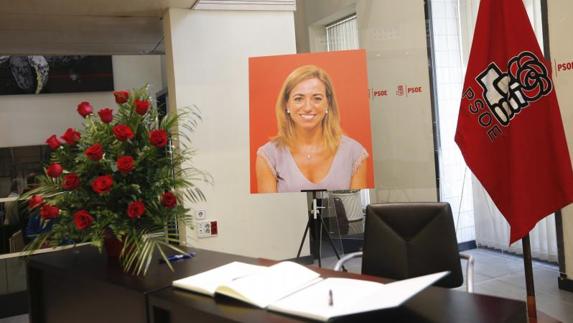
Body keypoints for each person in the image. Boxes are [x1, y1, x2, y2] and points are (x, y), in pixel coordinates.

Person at [256, 65, 368, 193]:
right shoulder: (268, 155)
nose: (308, 107)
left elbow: (355, 210)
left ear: (328, 104)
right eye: (299, 99)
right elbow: (270, 210)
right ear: (287, 104)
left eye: (317, 98)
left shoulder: (355, 153)